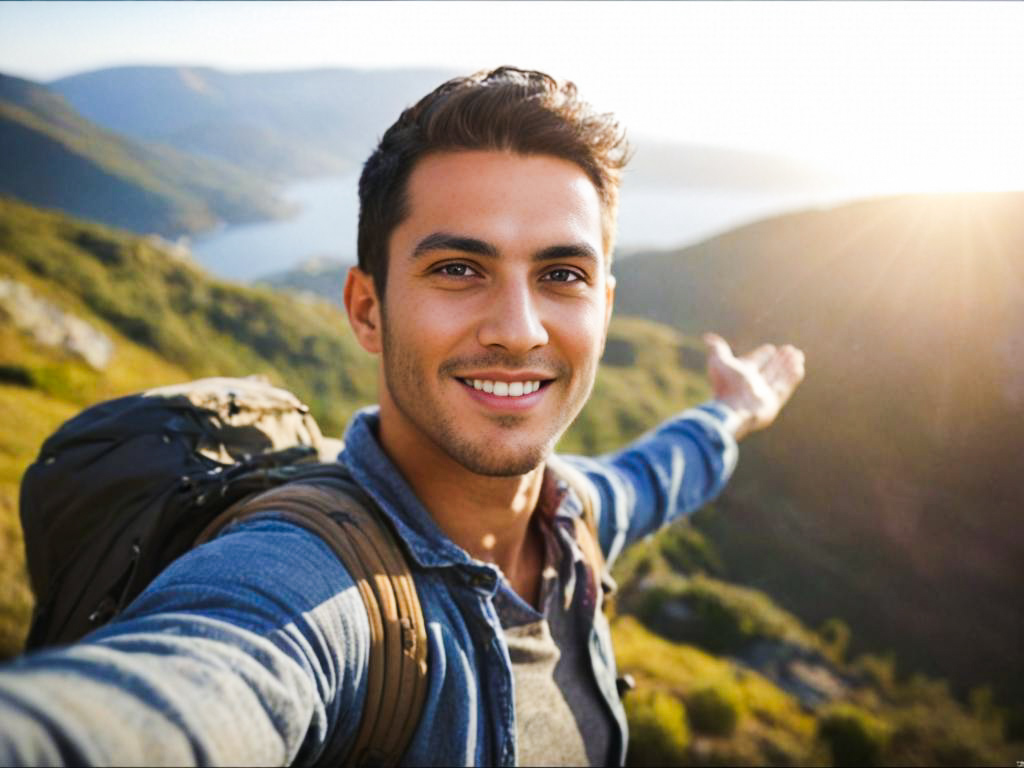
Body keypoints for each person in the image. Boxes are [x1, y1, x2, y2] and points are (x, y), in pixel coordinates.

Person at [0, 67, 804, 766]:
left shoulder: (574, 520)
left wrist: (734, 410)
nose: (520, 328)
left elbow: (656, 474)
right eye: (459, 268)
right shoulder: (307, 587)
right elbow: (187, 693)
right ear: (367, 309)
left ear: (605, 308)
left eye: (563, 274)